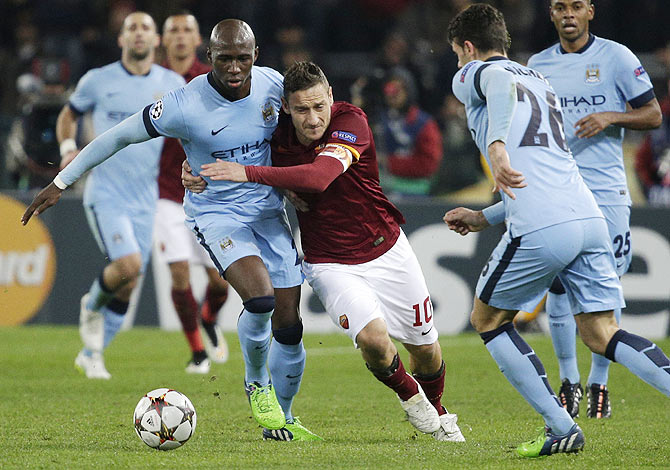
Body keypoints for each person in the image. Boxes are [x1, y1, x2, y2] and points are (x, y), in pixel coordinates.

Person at [22, 19, 320, 442]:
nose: (234, 68)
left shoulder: (273, 85)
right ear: (208, 58)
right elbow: (117, 137)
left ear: (256, 56)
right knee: (261, 299)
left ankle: (284, 418)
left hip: (267, 210)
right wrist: (61, 182)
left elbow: (306, 130)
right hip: (216, 213)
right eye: (224, 58)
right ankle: (257, 384)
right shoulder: (183, 103)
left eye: (242, 58)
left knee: (289, 325)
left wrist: (298, 181)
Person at [186, 61, 465, 442]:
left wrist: (249, 173)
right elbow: (225, 142)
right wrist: (193, 167)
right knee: (374, 341)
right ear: (286, 108)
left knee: (427, 351)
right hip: (329, 263)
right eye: (302, 109)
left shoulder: (351, 121)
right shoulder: (276, 138)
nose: (313, 118)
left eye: (320, 106)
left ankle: (438, 409)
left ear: (332, 97)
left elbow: (318, 177)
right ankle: (413, 398)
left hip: (387, 249)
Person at [442, 4, 670, 457]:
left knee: (487, 320)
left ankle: (559, 425)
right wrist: (484, 217)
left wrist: (498, 147)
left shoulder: (477, 72)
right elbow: (545, 169)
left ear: (467, 47)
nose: (458, 63)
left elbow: (497, 83)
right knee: (601, 332)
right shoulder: (541, 81)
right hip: (586, 216)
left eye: (457, 54)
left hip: (543, 223)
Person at [527, 0, 662, 419]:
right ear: (551, 14)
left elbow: (653, 114)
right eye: (560, 7)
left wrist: (610, 117)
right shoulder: (536, 64)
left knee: (605, 289)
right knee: (559, 286)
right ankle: (568, 380)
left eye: (576, 6)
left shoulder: (617, 57)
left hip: (605, 192)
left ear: (590, 12)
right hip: (556, 191)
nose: (568, 14)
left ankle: (599, 381)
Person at [53, 12, 185, 380]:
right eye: (132, 28)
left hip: (146, 197)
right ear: (121, 39)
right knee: (127, 266)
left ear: (156, 40)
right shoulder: (97, 80)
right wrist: (67, 147)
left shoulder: (172, 83)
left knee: (131, 281)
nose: (139, 34)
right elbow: (69, 114)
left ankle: (92, 352)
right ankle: (92, 304)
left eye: (146, 28)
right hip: (106, 191)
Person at [156, 12, 230, 374]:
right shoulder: (153, 82)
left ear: (198, 38)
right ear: (163, 40)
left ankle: (209, 316)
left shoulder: (210, 80)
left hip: (206, 193)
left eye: (187, 30)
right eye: (174, 31)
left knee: (220, 282)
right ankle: (198, 352)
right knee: (180, 274)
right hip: (166, 195)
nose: (181, 37)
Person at [378, 69, 443, 197]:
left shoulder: (423, 123)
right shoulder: (378, 120)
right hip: (381, 188)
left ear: (409, 91)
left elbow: (428, 164)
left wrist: (387, 162)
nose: (394, 94)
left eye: (399, 89)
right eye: (390, 89)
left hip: (415, 191)